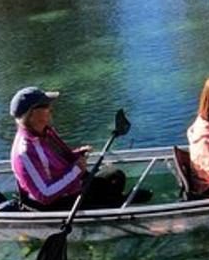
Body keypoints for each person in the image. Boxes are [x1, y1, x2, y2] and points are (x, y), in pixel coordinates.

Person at [9, 86, 143, 211]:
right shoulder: (25, 152)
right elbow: (44, 195)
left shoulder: (47, 132)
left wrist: (78, 154)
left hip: (71, 186)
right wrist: (76, 170)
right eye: (45, 106)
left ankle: (119, 203)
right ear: (32, 114)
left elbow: (63, 157)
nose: (51, 108)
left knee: (115, 175)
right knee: (107, 196)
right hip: (55, 202)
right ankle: (124, 211)